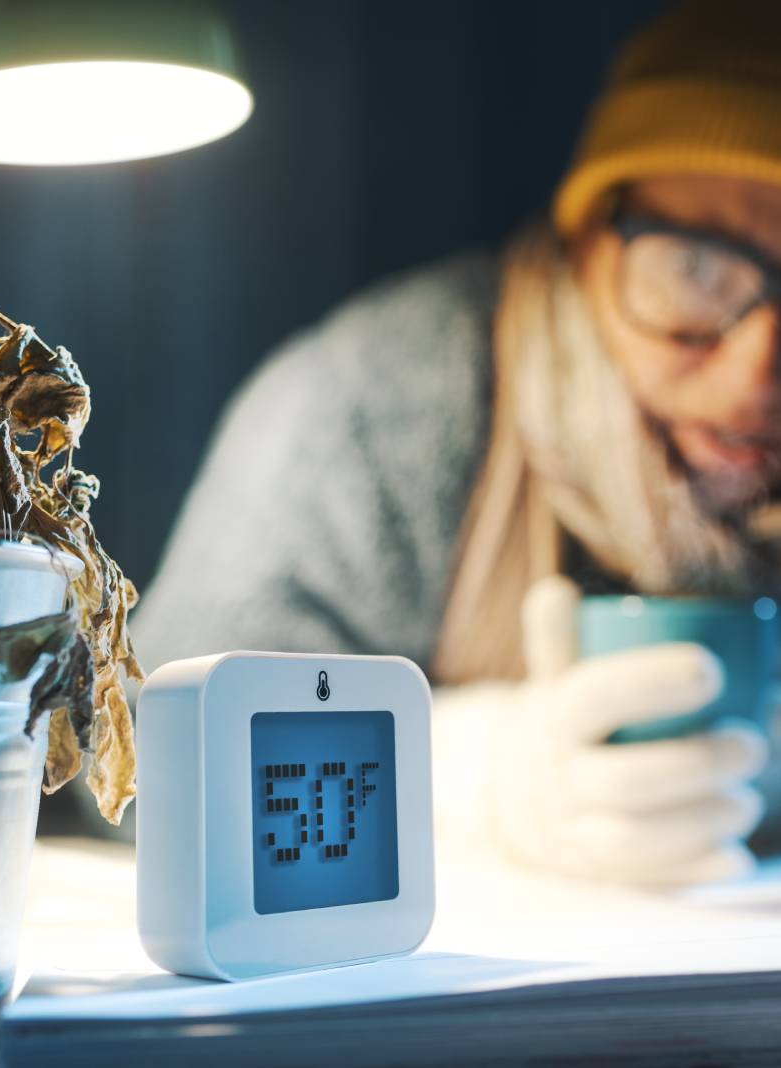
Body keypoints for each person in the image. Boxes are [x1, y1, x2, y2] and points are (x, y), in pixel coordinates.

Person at [130, 0, 781, 884]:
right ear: (587, 241)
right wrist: (468, 784)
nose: (754, 375)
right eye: (696, 269)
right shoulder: (386, 398)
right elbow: (143, 762)